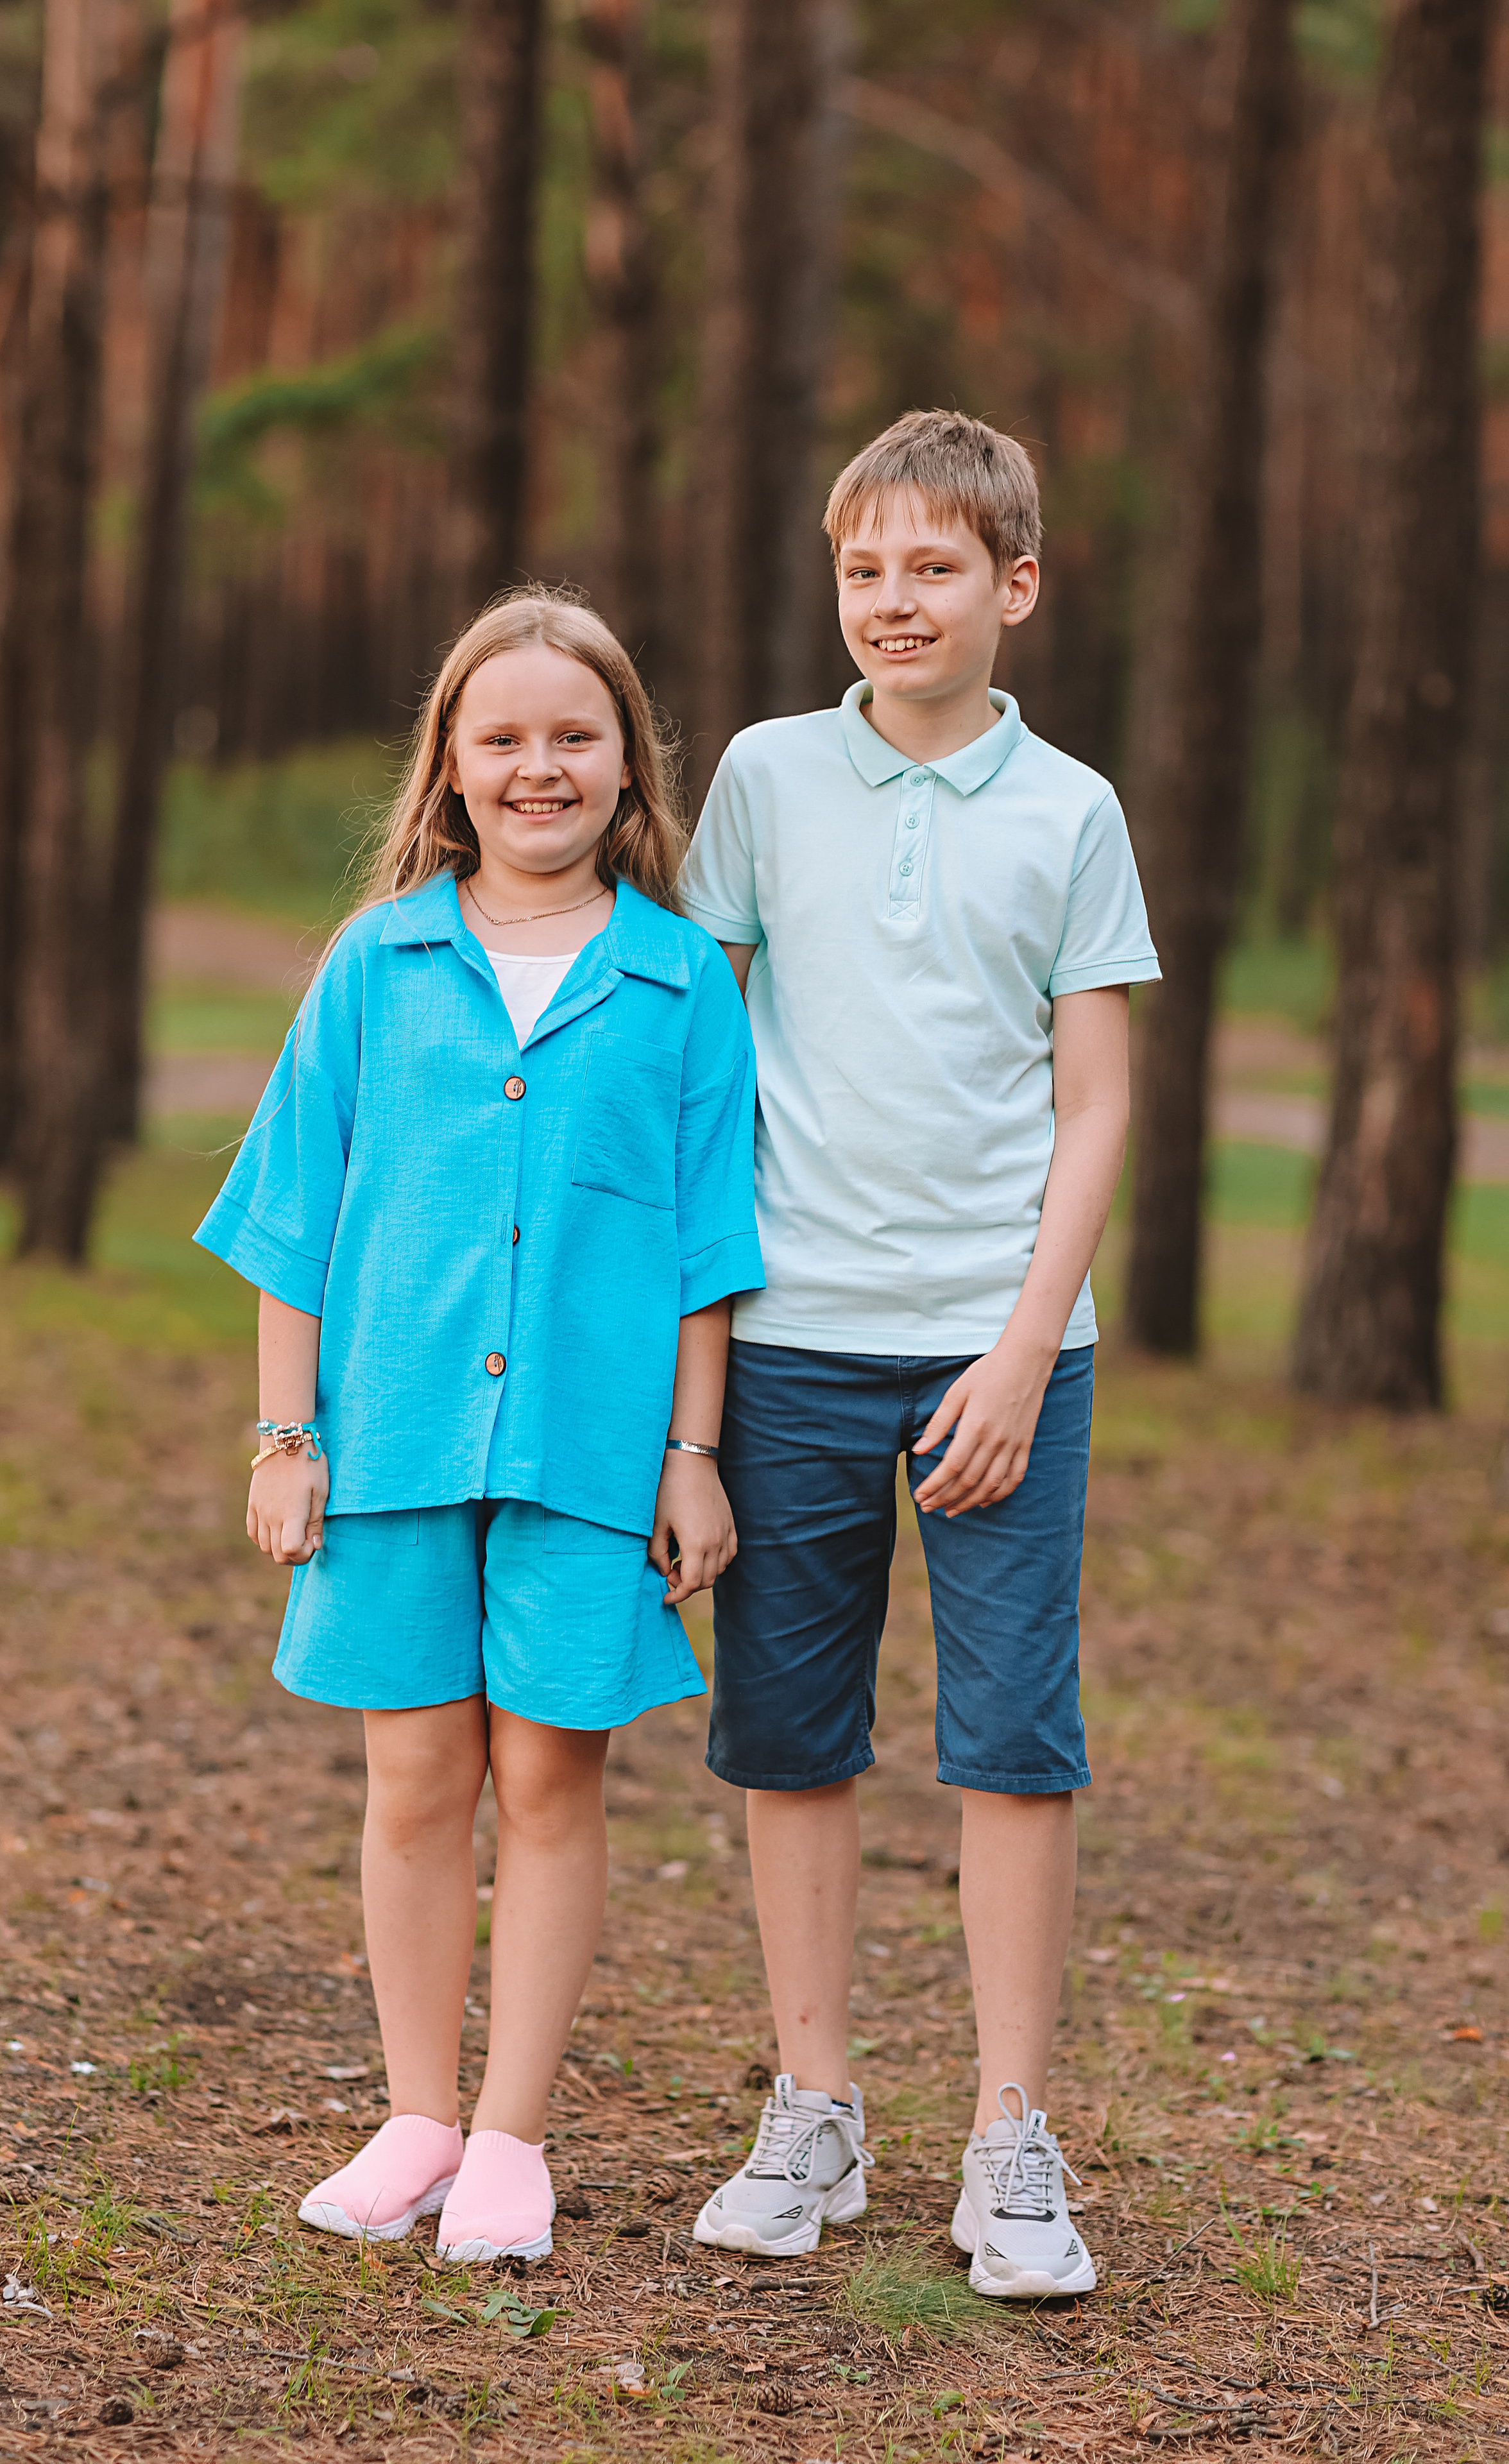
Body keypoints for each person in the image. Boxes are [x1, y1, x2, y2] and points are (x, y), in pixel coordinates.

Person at [195, 591, 762, 2265]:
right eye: (503, 738)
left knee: (553, 1782)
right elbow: (294, 1220)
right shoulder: (374, 965)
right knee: (416, 1779)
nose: (540, 768)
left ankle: (512, 2137)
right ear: (450, 765)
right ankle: (418, 2119)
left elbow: (706, 1247)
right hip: (395, 1442)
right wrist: (285, 1438)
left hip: (594, 1456)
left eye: (575, 736)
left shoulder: (682, 985)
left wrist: (692, 1458)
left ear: (629, 763)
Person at [681, 409, 1159, 2298]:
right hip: (794, 1337)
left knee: (1014, 1739)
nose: (895, 599)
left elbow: (1097, 1101)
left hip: (1000, 1349)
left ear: (1014, 588)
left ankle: (1010, 2137)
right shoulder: (765, 777)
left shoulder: (1074, 813)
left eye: (935, 567)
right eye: (865, 567)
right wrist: (691, 1387)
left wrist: (1026, 1350)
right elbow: (704, 1057)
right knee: (789, 1735)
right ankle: (815, 2106)